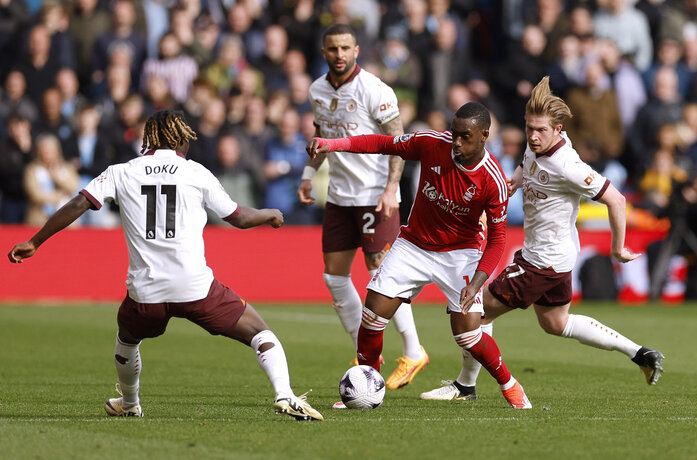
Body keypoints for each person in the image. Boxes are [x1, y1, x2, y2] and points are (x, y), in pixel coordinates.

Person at [7, 110, 323, 421]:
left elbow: (79, 202)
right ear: (181, 140)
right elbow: (237, 217)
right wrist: (269, 214)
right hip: (196, 288)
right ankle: (285, 394)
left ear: (149, 138)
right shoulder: (196, 172)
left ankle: (130, 402)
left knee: (127, 338)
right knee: (259, 332)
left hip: (146, 293)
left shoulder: (121, 171)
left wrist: (35, 241)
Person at [421, 77, 664, 402]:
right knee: (556, 323)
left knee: (475, 313)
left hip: (542, 261)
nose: (533, 136)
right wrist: (514, 182)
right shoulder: (535, 145)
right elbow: (526, 165)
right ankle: (641, 353)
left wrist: (617, 247)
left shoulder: (569, 166)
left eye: (541, 131)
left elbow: (617, 200)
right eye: (529, 128)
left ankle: (465, 387)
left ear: (559, 129)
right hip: (554, 257)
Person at [306, 101, 533, 409]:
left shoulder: (493, 180)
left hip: (460, 254)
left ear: (484, 135)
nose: (456, 142)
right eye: (454, 133)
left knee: (467, 335)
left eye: (465, 136)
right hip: (413, 245)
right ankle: (366, 384)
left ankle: (510, 386)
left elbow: (498, 240)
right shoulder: (431, 143)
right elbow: (382, 143)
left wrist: (477, 282)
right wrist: (333, 145)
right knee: (372, 315)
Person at [297, 24, 428, 401]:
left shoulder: (375, 89)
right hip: (339, 196)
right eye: (332, 48)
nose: (339, 54)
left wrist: (391, 189)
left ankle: (414, 350)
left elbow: (398, 141)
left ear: (356, 50)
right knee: (334, 278)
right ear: (324, 52)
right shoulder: (316, 90)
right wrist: (309, 175)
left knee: (382, 276)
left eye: (345, 48)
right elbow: (322, 135)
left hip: (375, 196)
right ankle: (366, 357)